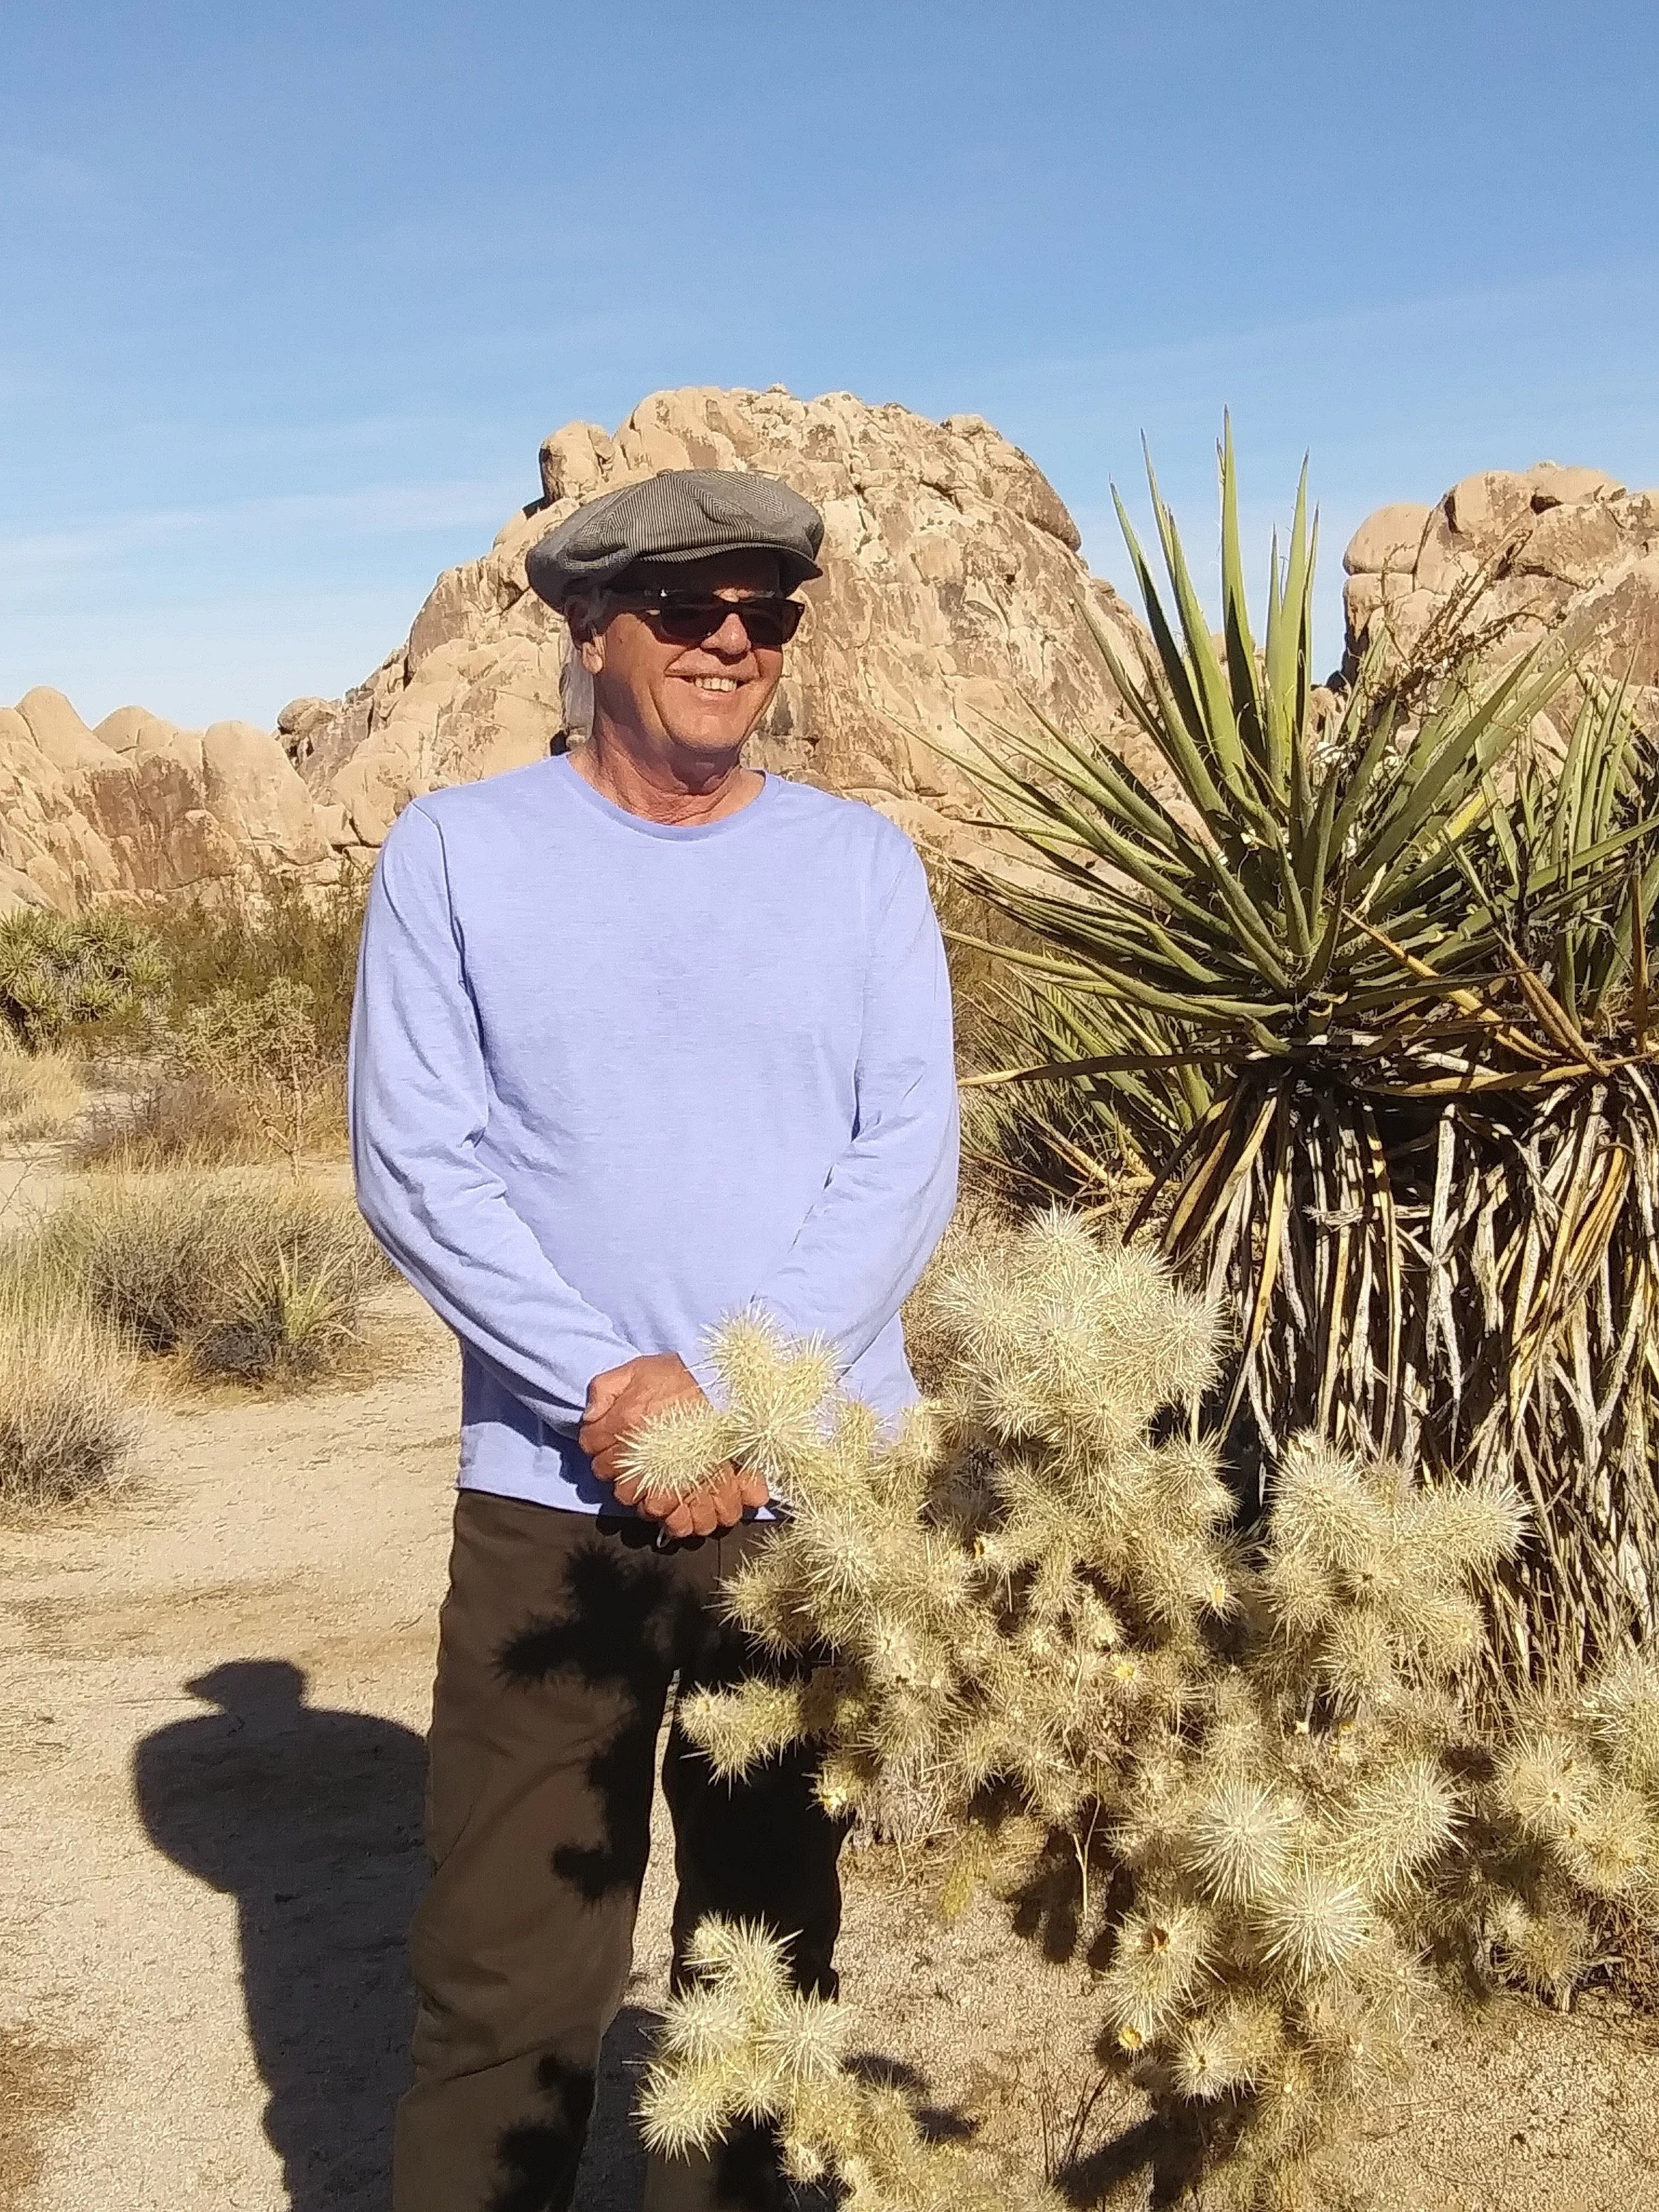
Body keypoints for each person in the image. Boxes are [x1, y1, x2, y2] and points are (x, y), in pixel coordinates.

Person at [349, 466, 960, 2212]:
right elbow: (415, 1159)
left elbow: (907, 1151)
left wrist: (738, 1407)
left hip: (796, 1491)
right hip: (552, 1483)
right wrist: (613, 1385)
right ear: (592, 627)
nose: (734, 646)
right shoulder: (458, 850)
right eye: (692, 610)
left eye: (768, 615)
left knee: (765, 1973)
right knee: (505, 1981)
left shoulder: (861, 865)